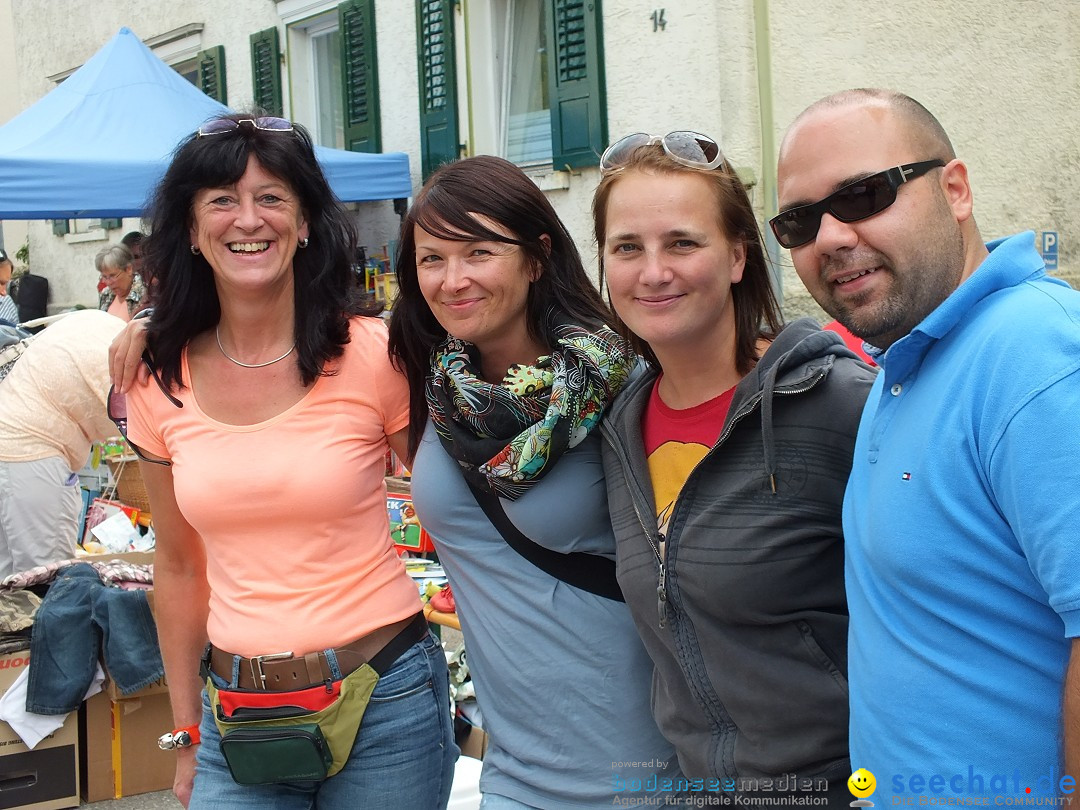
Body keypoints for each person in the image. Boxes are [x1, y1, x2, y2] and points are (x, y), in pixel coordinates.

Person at [119, 113, 456, 809]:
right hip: (237, 714)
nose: (249, 218)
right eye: (222, 200)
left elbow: (458, 517)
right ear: (189, 229)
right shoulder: (157, 377)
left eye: (272, 197)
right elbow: (178, 566)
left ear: (304, 224)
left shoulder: (373, 352)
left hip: (385, 698)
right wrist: (184, 732)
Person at [773, 89, 1080, 799]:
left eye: (864, 194)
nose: (830, 237)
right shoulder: (912, 356)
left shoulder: (1035, 354)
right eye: (799, 221)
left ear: (956, 189)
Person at [591, 132, 876, 806]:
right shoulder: (616, 428)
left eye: (683, 243)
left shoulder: (837, 405)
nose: (652, 271)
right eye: (626, 247)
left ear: (739, 257)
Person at [387, 155, 679, 808]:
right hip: (514, 773)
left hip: (642, 769)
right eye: (431, 259)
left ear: (537, 257)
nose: (452, 279)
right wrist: (161, 328)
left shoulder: (621, 383)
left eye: (479, 252)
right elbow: (277, 344)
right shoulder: (429, 381)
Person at [0, 309, 125, 577]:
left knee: (12, 579)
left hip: (17, 445)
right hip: (31, 453)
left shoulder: (103, 326)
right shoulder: (129, 359)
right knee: (47, 577)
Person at [95, 243, 145, 321]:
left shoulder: (145, 293)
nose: (108, 282)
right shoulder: (106, 294)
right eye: (104, 277)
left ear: (129, 269)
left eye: (113, 276)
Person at [0, 249, 18, 325]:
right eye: (0, 283)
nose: (3, 292)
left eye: (5, 284)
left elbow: (17, 334)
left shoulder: (6, 302)